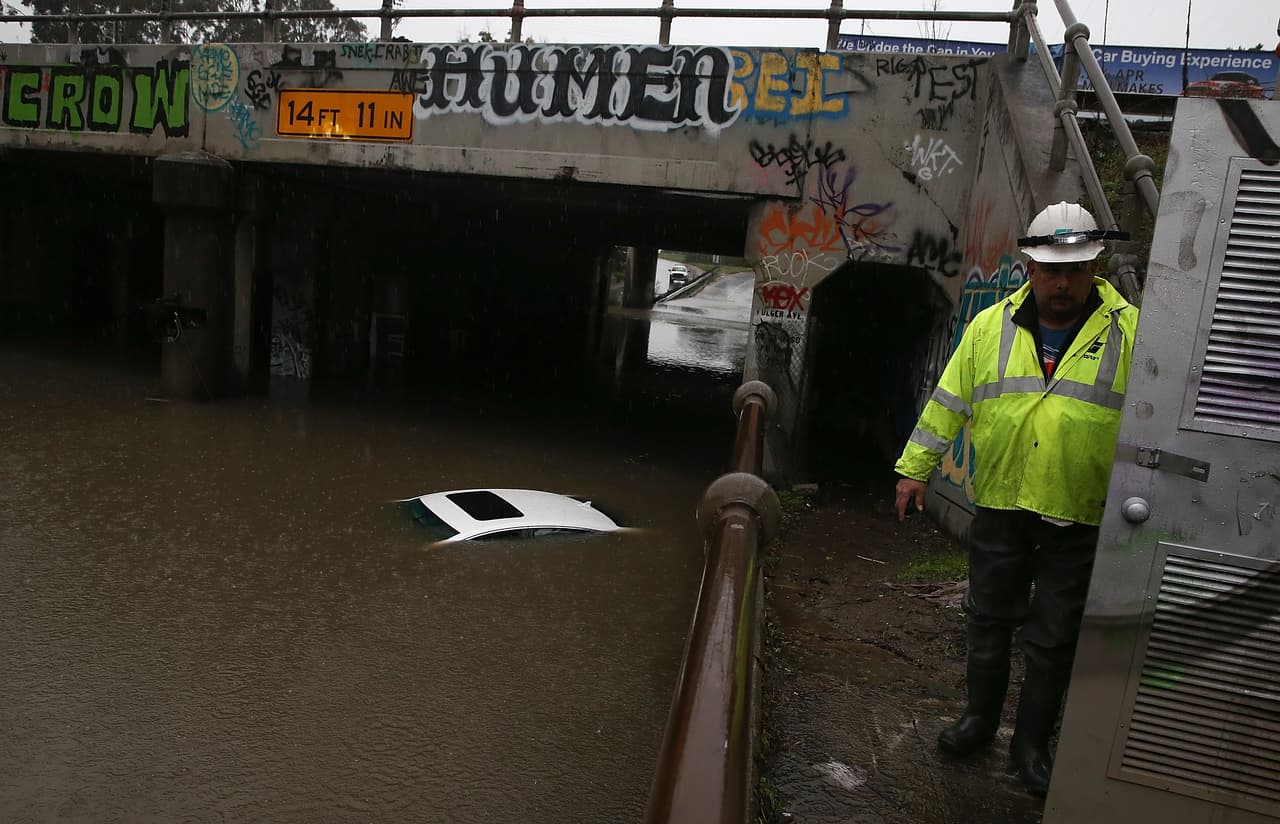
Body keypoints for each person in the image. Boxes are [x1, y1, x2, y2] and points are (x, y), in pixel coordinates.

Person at [892, 201, 1137, 797]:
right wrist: (915, 470)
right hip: (1002, 501)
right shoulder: (989, 327)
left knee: (1053, 636)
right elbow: (949, 400)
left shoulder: (1130, 331)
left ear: (1094, 268)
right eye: (1051, 271)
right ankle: (979, 721)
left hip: (1078, 510)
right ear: (1030, 268)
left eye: (1075, 271)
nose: (1062, 283)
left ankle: (1031, 746)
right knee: (988, 618)